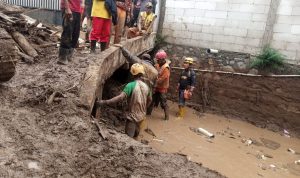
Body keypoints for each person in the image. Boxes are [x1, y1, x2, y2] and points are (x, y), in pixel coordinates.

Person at [96, 63, 152, 138]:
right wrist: (144, 108)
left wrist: (105, 102)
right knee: (136, 137)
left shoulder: (130, 85)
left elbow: (120, 98)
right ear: (142, 74)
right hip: (142, 116)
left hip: (132, 117)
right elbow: (150, 100)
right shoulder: (147, 87)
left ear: (132, 74)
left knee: (129, 139)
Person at [58, 0, 84, 65]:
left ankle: (69, 55)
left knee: (76, 34)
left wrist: (82, 7)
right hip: (70, 8)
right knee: (67, 32)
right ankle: (62, 57)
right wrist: (67, 8)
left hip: (78, 10)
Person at [147, 50, 170, 120]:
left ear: (163, 59)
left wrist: (154, 82)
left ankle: (167, 117)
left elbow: (163, 78)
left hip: (162, 88)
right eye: (157, 60)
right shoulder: (157, 65)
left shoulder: (166, 68)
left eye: (158, 60)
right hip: (156, 87)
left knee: (163, 103)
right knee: (151, 100)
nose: (157, 61)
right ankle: (148, 114)